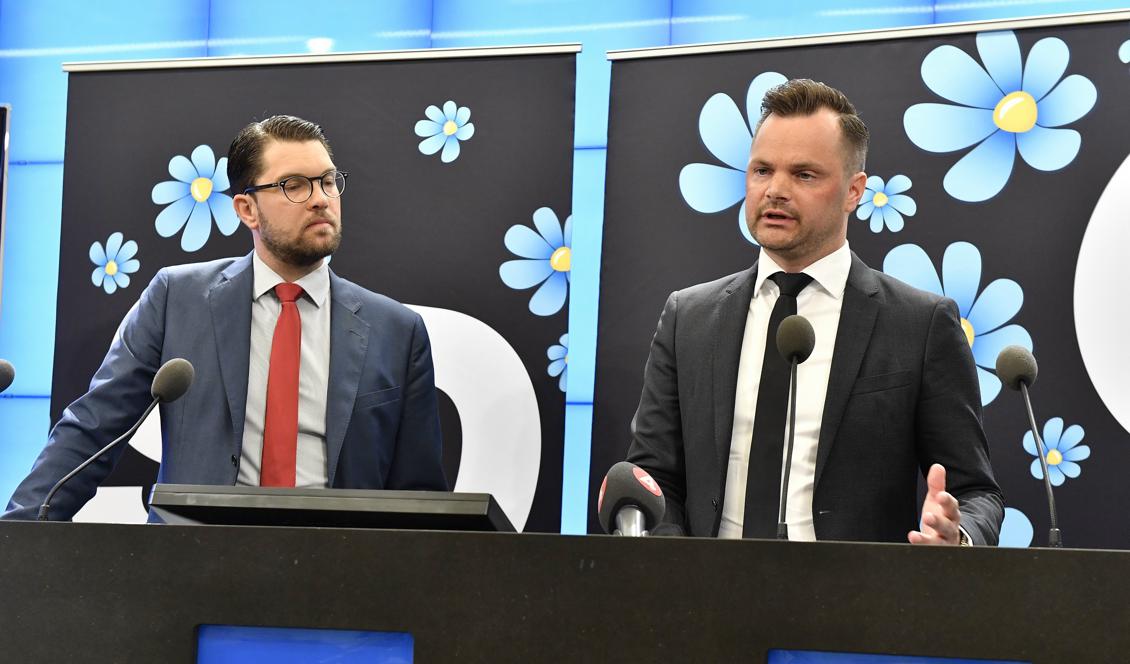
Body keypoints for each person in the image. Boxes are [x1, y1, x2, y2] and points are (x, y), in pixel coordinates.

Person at [4, 115, 447, 520]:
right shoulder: (177, 298)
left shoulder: (397, 331)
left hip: (337, 576)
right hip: (194, 567)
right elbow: (93, 430)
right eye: (294, 185)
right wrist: (18, 539)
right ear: (246, 209)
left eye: (328, 181)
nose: (320, 200)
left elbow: (418, 495)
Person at [626, 79, 1003, 545]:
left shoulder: (921, 324)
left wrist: (958, 534)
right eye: (762, 171)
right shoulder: (690, 318)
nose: (775, 191)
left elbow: (976, 492)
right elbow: (653, 477)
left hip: (858, 606)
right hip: (708, 603)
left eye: (804, 175)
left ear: (854, 191)